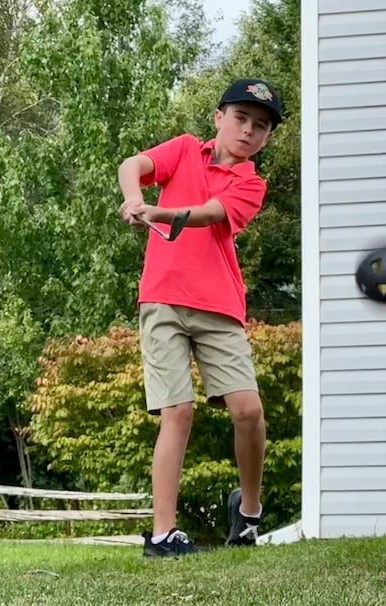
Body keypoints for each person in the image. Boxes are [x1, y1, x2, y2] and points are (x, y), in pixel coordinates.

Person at [115, 78, 283, 556]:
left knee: (248, 412)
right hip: (162, 301)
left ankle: (247, 514)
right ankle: (163, 534)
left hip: (219, 306)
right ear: (219, 118)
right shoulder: (186, 150)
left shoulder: (251, 183)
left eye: (261, 126)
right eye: (241, 118)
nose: (248, 130)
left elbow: (210, 214)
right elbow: (135, 164)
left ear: (267, 138)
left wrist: (159, 211)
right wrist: (133, 196)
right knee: (177, 411)